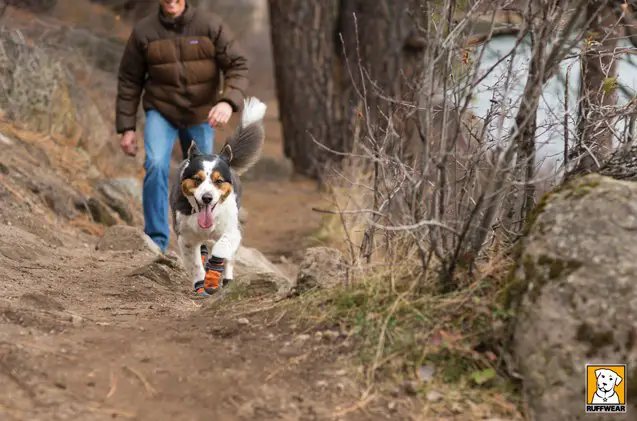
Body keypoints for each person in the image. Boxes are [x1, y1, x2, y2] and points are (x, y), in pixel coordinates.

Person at [115, 0, 248, 253]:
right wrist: (127, 128)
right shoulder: (144, 31)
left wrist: (227, 102)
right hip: (161, 110)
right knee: (155, 164)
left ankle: (202, 239)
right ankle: (156, 242)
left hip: (201, 114)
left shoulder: (210, 25)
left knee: (206, 180)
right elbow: (129, 81)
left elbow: (238, 65)